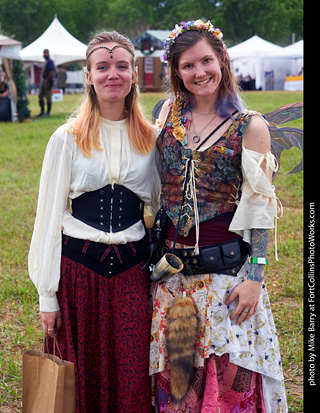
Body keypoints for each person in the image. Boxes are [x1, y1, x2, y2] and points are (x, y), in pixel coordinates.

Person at [150, 20, 287, 412]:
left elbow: (260, 211)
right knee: (177, 390)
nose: (200, 72)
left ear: (222, 61)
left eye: (207, 61)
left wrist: (256, 278)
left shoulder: (250, 126)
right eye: (188, 65)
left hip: (225, 281)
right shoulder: (167, 118)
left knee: (225, 393)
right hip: (172, 283)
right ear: (176, 71)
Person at [28, 30, 160, 412]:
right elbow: (49, 218)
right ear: (88, 75)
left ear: (134, 73)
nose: (112, 74)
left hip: (132, 273)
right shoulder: (66, 138)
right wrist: (46, 296)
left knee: (132, 373)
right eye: (102, 67)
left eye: (121, 66)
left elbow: (162, 205)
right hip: (79, 273)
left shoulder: (150, 139)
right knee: (79, 376)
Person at [36, 48, 55, 117]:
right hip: (44, 81)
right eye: (44, 53)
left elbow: (52, 71)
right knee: (40, 96)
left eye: (46, 53)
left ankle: (48, 113)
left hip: (48, 82)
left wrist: (47, 79)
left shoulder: (50, 61)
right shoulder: (46, 61)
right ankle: (42, 112)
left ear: (48, 53)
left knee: (48, 97)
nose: (45, 54)